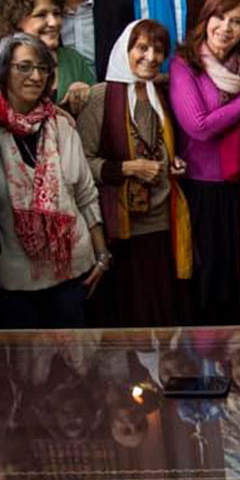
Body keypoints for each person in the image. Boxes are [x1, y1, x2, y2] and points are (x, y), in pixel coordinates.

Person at [0, 33, 111, 329]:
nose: (36, 76)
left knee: (78, 364)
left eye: (43, 68)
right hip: (15, 279)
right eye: (24, 67)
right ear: (3, 70)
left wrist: (102, 255)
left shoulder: (62, 124)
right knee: (29, 371)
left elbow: (85, 194)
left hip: (74, 271)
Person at [79, 19, 192, 327]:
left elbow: (160, 144)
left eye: (158, 50)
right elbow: (82, 162)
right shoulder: (100, 97)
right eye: (142, 48)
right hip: (125, 225)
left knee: (165, 310)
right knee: (135, 311)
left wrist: (174, 162)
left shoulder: (163, 93)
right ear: (124, 50)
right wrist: (129, 168)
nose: (151, 57)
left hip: (165, 219)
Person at [169, 0, 240, 323]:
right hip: (201, 187)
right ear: (206, 18)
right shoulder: (185, 64)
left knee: (238, 271)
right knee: (207, 273)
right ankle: (209, 359)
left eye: (236, 21)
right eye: (220, 17)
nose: (226, 27)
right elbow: (199, 127)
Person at [0, 0, 95, 114]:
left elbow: (95, 112)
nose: (54, 22)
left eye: (57, 13)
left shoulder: (73, 60)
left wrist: (86, 93)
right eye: (41, 15)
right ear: (17, 19)